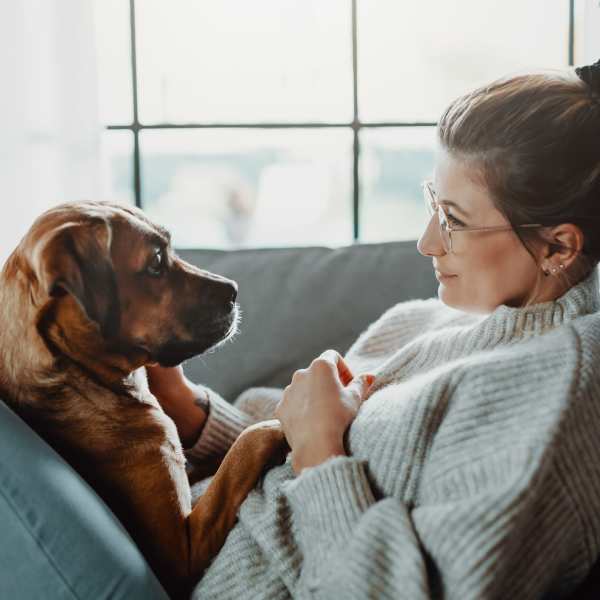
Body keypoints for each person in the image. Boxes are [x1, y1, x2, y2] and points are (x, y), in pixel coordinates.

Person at [146, 59, 600, 599]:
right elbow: (285, 446)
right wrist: (192, 411)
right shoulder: (422, 319)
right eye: (434, 202)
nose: (427, 242)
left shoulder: (553, 398)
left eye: (453, 219)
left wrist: (320, 450)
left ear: (559, 246)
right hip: (178, 535)